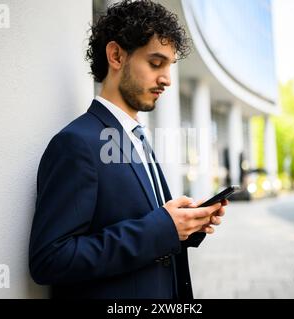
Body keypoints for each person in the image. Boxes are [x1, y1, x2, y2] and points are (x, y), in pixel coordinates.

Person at [29, 0, 228, 299]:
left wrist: (184, 226)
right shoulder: (76, 143)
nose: (167, 80)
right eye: (156, 63)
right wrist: (161, 228)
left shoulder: (135, 136)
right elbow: (51, 260)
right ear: (116, 55)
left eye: (169, 67)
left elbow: (143, 228)